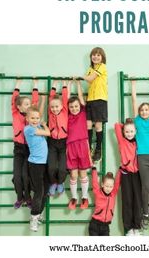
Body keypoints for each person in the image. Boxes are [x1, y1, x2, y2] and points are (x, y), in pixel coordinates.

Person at [131, 79, 149, 230]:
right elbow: (134, 101)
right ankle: (145, 213)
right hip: (142, 157)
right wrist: (133, 86)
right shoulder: (137, 121)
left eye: (146, 110)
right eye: (142, 110)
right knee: (146, 187)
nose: (144, 112)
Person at [11, 78, 39, 209]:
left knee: (25, 176)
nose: (29, 106)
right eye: (26, 104)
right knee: (17, 177)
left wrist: (35, 86)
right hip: (18, 149)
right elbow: (14, 99)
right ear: (19, 106)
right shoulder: (15, 113)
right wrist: (18, 84)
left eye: (29, 104)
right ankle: (19, 197)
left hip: (29, 149)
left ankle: (28, 198)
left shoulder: (30, 117)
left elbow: (35, 102)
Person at [24, 104, 50, 232]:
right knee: (39, 191)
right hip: (35, 165)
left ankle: (38, 214)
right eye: (33, 118)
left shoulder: (37, 126)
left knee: (45, 191)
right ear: (27, 119)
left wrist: (43, 101)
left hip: (44, 163)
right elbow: (48, 133)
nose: (35, 120)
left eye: (37, 118)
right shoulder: (28, 129)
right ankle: (33, 217)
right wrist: (44, 124)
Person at [67, 79, 92, 210]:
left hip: (83, 145)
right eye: (72, 107)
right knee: (73, 175)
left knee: (83, 174)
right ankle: (74, 197)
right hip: (70, 146)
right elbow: (66, 101)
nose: (74, 108)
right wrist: (69, 85)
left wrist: (77, 85)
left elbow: (81, 99)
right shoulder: (67, 115)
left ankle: (85, 197)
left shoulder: (83, 113)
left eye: (76, 106)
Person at [115, 119, 142, 236]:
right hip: (125, 173)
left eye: (131, 131)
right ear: (123, 132)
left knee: (137, 200)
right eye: (126, 132)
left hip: (137, 174)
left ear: (135, 131)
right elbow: (116, 126)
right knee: (127, 201)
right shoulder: (122, 141)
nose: (129, 134)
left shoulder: (139, 141)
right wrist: (124, 125)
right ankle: (128, 228)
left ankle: (137, 227)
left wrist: (131, 126)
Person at [82, 47, 108, 162]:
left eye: (98, 55)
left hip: (100, 99)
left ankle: (98, 149)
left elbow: (90, 79)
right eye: (94, 55)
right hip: (91, 99)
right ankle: (88, 148)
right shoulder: (90, 68)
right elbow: (88, 77)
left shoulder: (102, 67)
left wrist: (80, 77)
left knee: (97, 126)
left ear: (102, 57)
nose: (95, 57)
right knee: (87, 124)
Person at [48, 80, 68, 196]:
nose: (55, 109)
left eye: (57, 106)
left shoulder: (64, 111)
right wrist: (54, 86)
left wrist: (64, 83)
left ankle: (60, 182)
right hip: (52, 142)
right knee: (51, 167)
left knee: (62, 168)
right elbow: (51, 98)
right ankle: (53, 183)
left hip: (63, 142)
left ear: (61, 106)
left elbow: (65, 97)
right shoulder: (50, 113)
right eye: (52, 107)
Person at [89, 167, 121, 236]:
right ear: (102, 184)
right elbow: (94, 182)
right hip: (95, 225)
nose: (108, 188)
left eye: (110, 186)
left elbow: (117, 183)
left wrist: (120, 170)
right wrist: (94, 169)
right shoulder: (98, 192)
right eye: (107, 186)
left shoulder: (113, 194)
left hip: (106, 226)